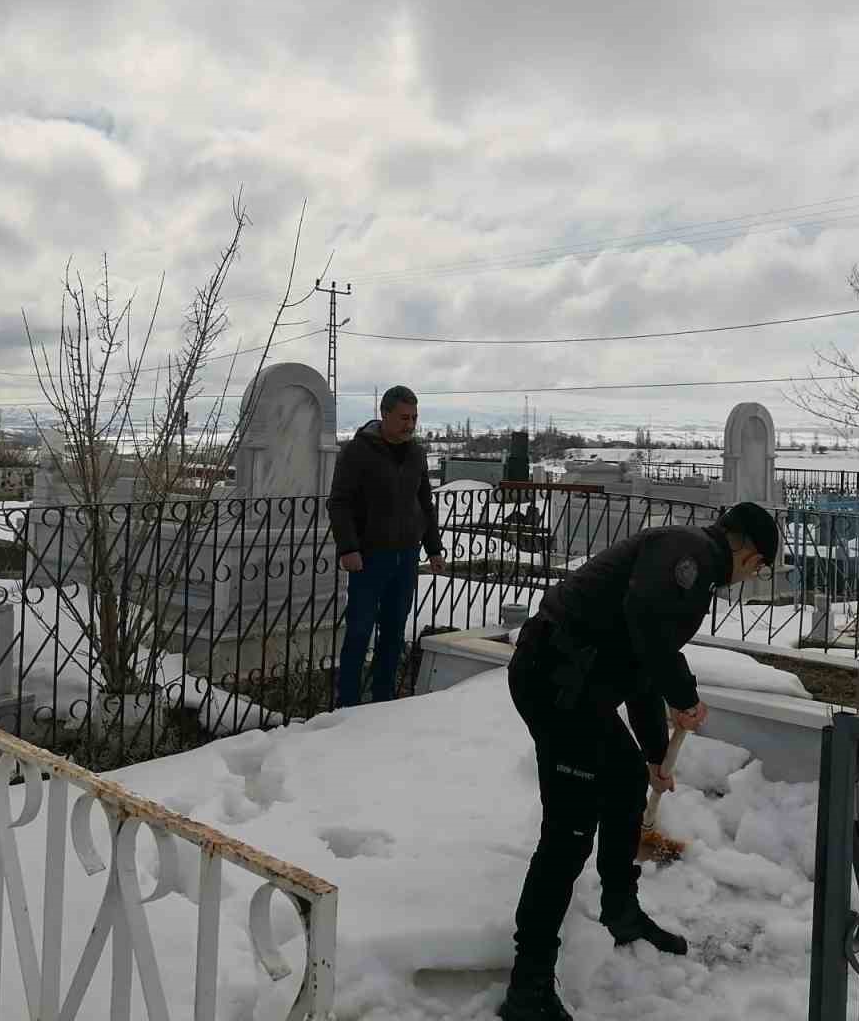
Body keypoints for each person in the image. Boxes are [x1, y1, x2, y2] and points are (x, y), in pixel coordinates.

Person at [497, 502, 781, 1021]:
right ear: (748, 552)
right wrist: (685, 696)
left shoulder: (690, 565)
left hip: (578, 685)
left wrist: (653, 755)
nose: (751, 577)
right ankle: (528, 985)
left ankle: (620, 909)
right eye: (759, 567)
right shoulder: (689, 555)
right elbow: (648, 630)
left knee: (627, 779)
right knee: (568, 834)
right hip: (556, 682)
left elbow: (641, 664)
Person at [326, 384, 445, 706]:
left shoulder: (416, 453)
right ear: (385, 414)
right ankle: (347, 704)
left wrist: (433, 548)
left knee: (394, 632)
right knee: (359, 631)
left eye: (414, 418)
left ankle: (384, 701)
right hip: (369, 557)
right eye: (404, 418)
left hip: (406, 556)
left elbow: (425, 504)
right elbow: (339, 502)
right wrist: (348, 548)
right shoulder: (358, 451)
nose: (410, 424)